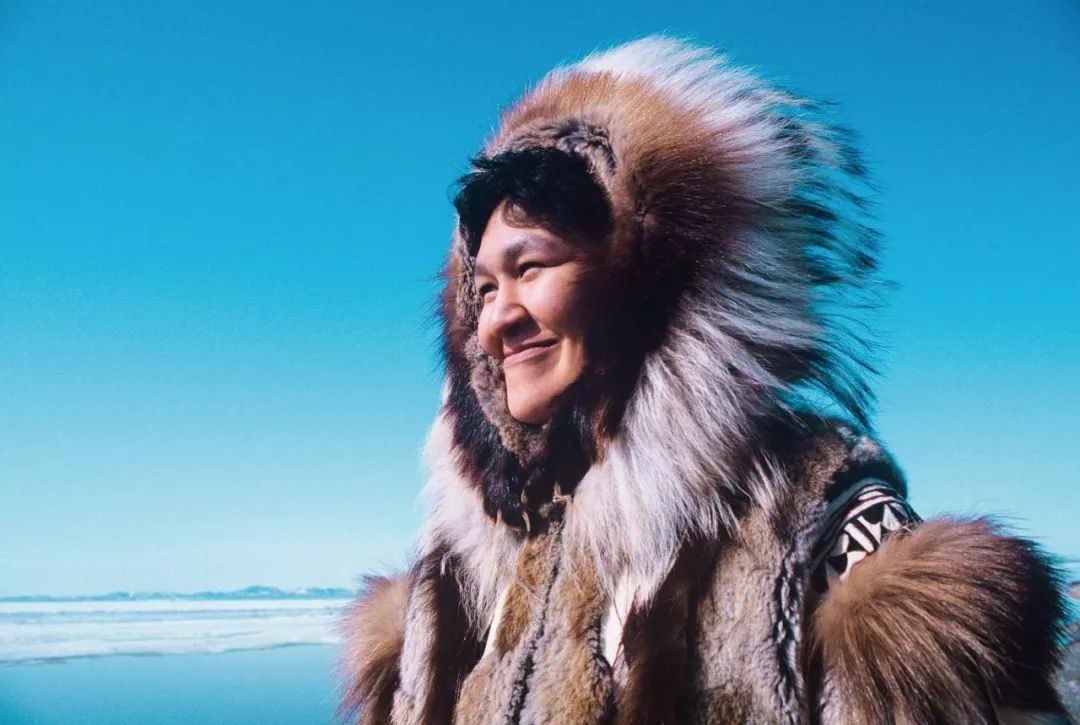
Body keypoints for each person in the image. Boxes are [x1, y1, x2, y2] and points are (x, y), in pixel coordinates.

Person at [340, 37, 1070, 724]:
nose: (499, 320)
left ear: (644, 276)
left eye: (530, 268)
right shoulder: (455, 583)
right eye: (484, 289)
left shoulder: (826, 533)